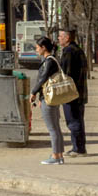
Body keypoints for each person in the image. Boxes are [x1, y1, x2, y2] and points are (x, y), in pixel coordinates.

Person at [30, 36, 64, 165]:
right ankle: (59, 154)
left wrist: (33, 93)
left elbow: (42, 79)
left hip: (49, 99)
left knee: (52, 129)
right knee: (56, 127)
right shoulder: (52, 60)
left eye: (37, 47)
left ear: (43, 48)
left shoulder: (49, 61)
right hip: (52, 98)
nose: (36, 50)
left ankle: (55, 156)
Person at [59, 28, 88, 157]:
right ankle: (80, 147)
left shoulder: (69, 52)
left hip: (71, 93)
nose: (58, 38)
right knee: (78, 120)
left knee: (73, 120)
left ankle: (78, 148)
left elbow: (66, 74)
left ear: (67, 38)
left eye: (60, 36)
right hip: (80, 92)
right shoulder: (78, 50)